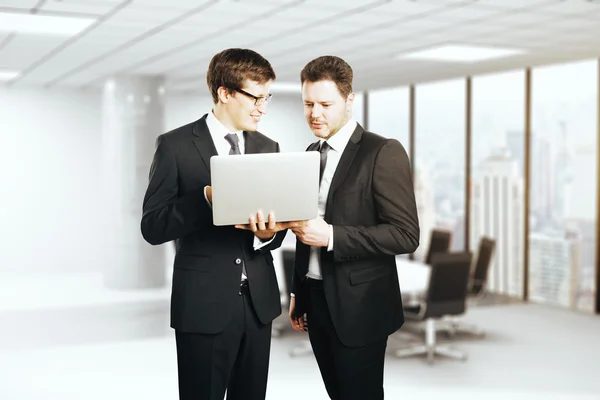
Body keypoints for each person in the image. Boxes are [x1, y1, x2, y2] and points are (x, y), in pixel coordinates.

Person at [141, 48, 293, 400]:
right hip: (203, 305)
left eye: (267, 97)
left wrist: (269, 235)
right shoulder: (176, 145)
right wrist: (205, 198)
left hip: (258, 304)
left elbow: (276, 230)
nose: (263, 108)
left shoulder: (269, 147)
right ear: (224, 92)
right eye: (256, 97)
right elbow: (153, 226)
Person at [288, 55, 420, 399]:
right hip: (315, 299)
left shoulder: (382, 152)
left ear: (349, 100)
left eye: (325, 104)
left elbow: (406, 234)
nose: (315, 113)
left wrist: (332, 236)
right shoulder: (309, 152)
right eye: (308, 104)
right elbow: (305, 228)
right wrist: (297, 292)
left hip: (360, 305)